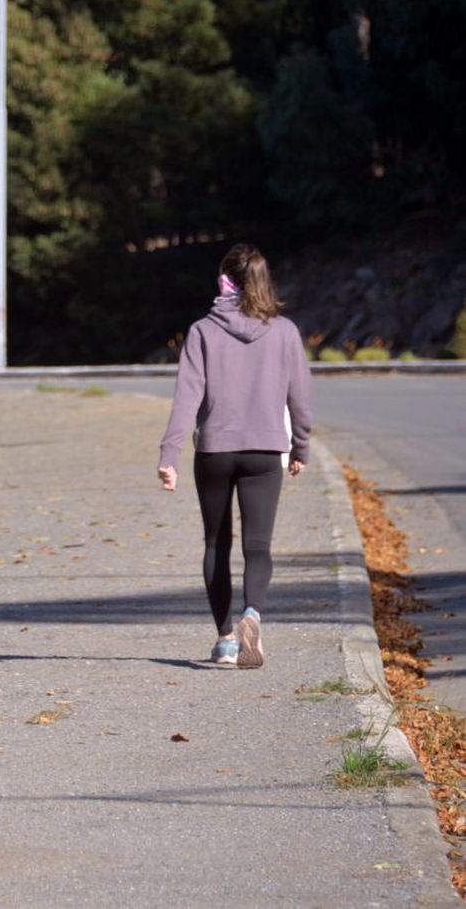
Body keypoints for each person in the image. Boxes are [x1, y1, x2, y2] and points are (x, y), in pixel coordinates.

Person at [157, 244, 313, 668]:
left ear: (223, 282)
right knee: (258, 545)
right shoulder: (285, 332)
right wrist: (300, 446)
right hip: (265, 450)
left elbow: (186, 398)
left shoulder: (203, 331)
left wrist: (169, 454)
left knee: (216, 543)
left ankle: (226, 640)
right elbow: (300, 399)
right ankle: (252, 613)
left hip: (215, 450)